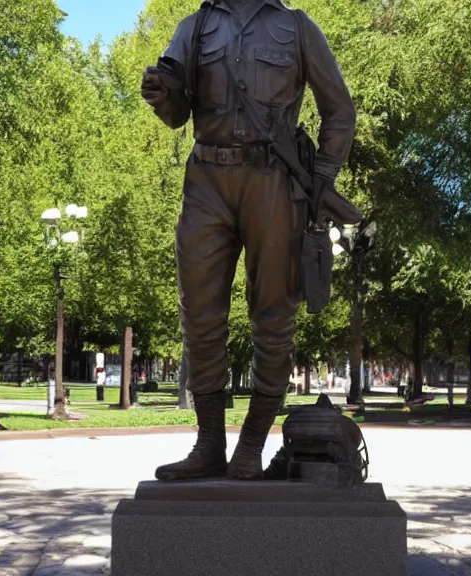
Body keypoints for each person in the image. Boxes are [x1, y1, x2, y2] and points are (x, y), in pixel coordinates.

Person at [141, 0, 356, 481]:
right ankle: (209, 444)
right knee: (198, 314)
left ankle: (252, 445)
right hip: (206, 181)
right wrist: (161, 96)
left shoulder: (297, 28)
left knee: (275, 313)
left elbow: (339, 109)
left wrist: (321, 178)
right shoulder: (194, 28)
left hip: (273, 180)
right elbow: (177, 114)